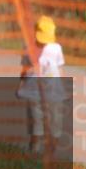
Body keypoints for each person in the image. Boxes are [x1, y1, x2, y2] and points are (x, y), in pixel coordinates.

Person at [17, 16, 68, 153]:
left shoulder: (56, 48)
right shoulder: (28, 47)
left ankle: (52, 150)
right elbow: (24, 69)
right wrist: (21, 85)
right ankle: (34, 148)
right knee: (36, 120)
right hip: (34, 91)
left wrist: (63, 88)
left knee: (55, 120)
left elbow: (60, 68)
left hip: (54, 90)